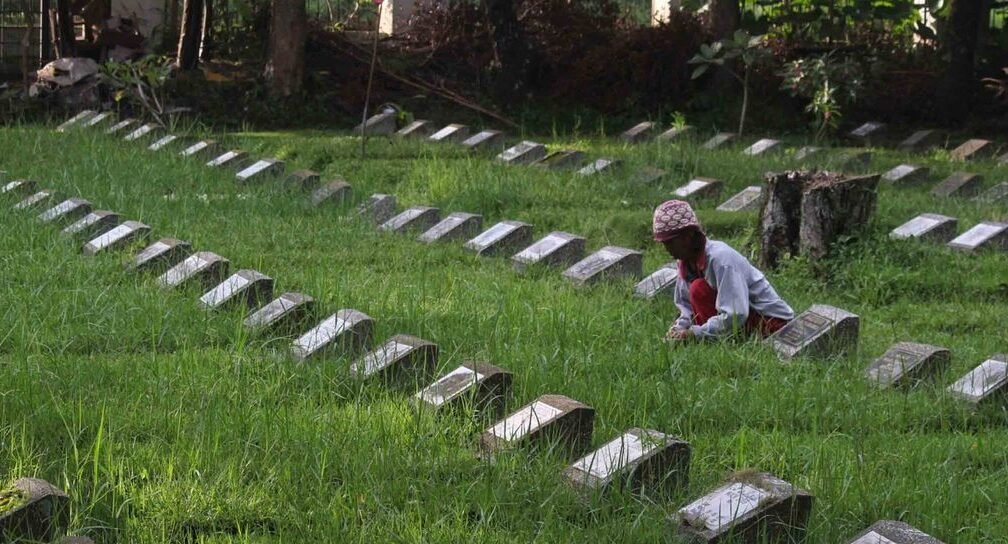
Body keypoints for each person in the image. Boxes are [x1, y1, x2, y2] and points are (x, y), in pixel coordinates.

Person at [653, 199, 794, 342]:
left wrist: (696, 334)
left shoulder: (721, 259)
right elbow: (685, 306)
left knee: (698, 289)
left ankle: (724, 341)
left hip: (770, 323)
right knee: (697, 290)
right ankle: (716, 338)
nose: (667, 249)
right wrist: (678, 329)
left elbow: (736, 314)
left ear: (688, 236)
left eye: (670, 243)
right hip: (743, 320)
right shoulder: (685, 262)